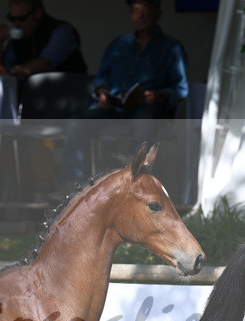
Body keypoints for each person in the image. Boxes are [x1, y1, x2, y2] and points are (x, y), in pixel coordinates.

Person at [58, 0, 188, 187]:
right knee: (77, 122)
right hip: (114, 107)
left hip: (146, 108)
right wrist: (103, 93)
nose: (140, 15)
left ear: (158, 13)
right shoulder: (118, 44)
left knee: (144, 122)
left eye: (145, 9)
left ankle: (127, 181)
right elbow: (101, 78)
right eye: (135, 10)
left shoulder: (172, 48)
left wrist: (159, 95)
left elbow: (181, 89)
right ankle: (70, 185)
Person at [0, 0, 86, 78]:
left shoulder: (62, 31)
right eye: (12, 19)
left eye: (22, 18)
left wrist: (12, 71)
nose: (16, 24)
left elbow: (46, 63)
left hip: (66, 94)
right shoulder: (18, 39)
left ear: (37, 13)